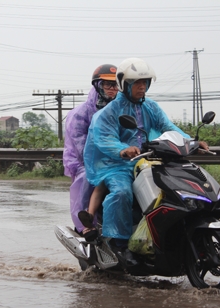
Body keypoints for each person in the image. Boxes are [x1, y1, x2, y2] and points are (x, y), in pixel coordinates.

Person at [83, 58, 208, 267]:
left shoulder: (151, 107)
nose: (142, 87)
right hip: (116, 163)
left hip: (147, 160)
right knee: (122, 192)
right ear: (125, 84)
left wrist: (192, 142)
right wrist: (122, 150)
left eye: (145, 82)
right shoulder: (109, 112)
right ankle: (119, 244)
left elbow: (168, 127)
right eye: (137, 83)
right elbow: (104, 138)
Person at [63, 64, 118, 240]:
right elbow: (80, 145)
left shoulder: (121, 109)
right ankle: (86, 224)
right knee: (88, 177)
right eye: (107, 85)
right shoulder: (80, 114)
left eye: (115, 85)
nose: (112, 89)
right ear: (98, 86)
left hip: (116, 158)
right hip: (84, 161)